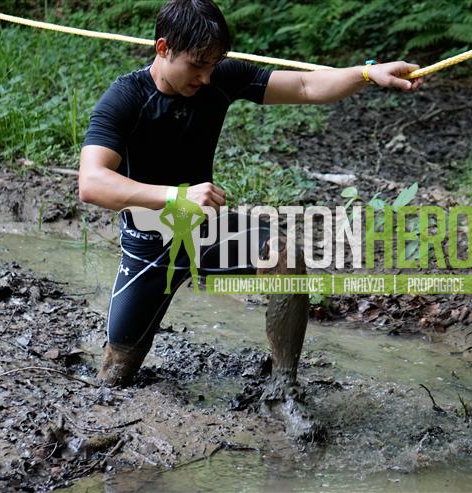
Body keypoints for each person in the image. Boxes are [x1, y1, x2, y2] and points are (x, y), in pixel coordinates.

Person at [78, 0, 423, 437]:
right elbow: (91, 183)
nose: (206, 77)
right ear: (163, 48)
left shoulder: (219, 78)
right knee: (115, 376)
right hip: (149, 246)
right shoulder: (125, 98)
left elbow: (304, 86)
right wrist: (176, 196)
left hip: (207, 232)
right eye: (197, 65)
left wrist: (368, 73)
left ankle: (283, 390)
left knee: (283, 255)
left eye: (214, 64)